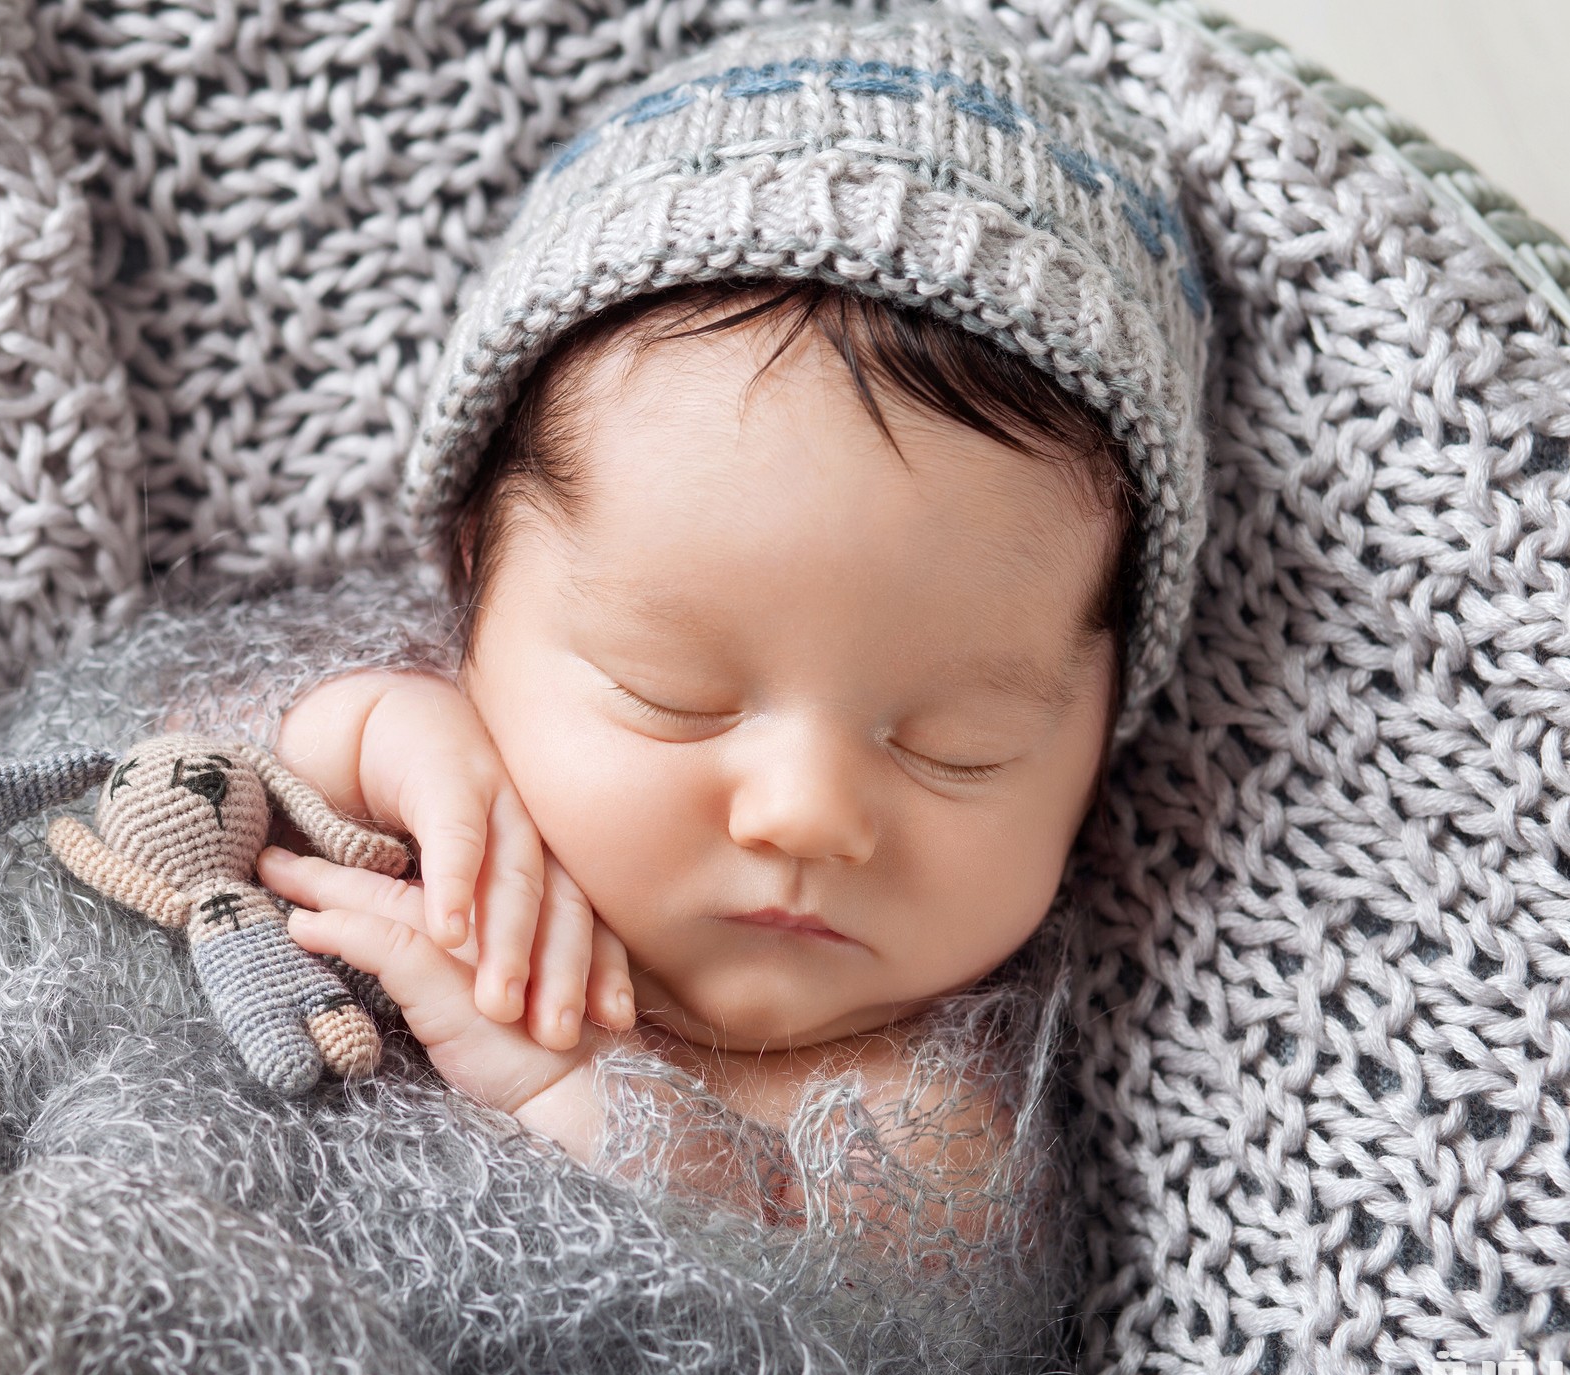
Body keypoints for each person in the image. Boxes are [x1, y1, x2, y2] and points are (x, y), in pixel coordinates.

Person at [259, 9, 1210, 1212]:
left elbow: (870, 1343)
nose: (807, 815)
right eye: (673, 690)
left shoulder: (930, 1123)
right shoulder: (420, 767)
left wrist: (577, 1093)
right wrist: (355, 739)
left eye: (958, 746)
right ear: (471, 588)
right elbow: (134, 813)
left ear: (1104, 733)